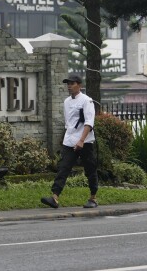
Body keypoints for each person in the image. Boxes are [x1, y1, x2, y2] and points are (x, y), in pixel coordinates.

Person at [41, 74, 98, 209]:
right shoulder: (66, 102)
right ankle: (55, 197)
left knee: (90, 169)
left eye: (72, 84)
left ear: (79, 85)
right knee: (63, 167)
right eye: (68, 84)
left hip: (85, 141)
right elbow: (69, 123)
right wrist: (66, 138)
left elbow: (89, 122)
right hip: (70, 140)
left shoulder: (87, 101)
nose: (69, 86)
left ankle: (93, 197)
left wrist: (81, 140)